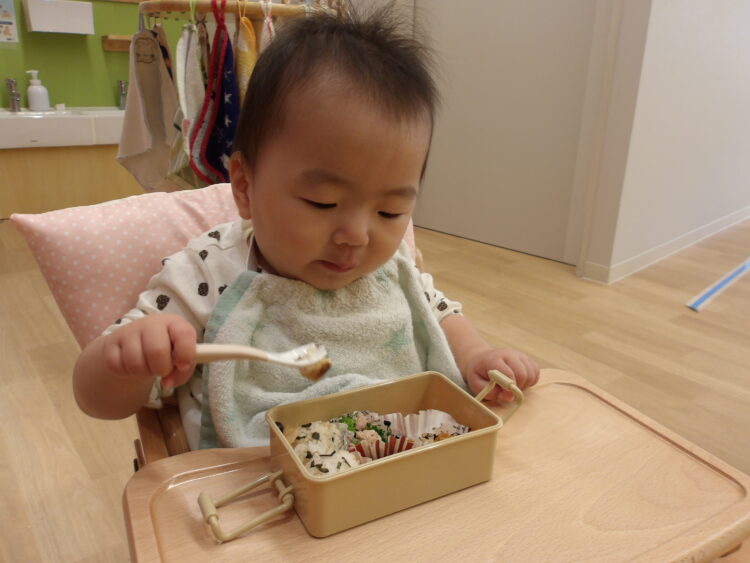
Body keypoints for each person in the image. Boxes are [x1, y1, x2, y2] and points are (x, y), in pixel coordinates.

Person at [73, 5, 539, 449]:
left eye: (390, 211)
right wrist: (127, 361)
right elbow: (96, 399)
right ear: (244, 186)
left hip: (404, 459)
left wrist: (477, 356)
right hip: (259, 481)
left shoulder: (391, 268)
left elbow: (437, 313)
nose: (357, 236)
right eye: (323, 202)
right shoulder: (209, 273)